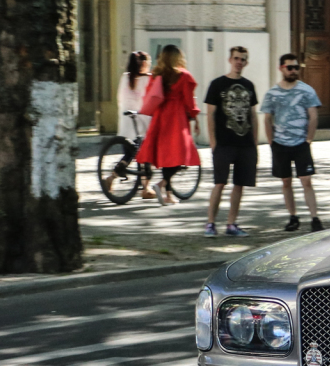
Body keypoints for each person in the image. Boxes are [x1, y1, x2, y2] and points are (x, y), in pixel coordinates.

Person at [261, 53, 323, 232]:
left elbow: (313, 116)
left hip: (301, 144)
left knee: (306, 180)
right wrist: (271, 142)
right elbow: (267, 118)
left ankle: (315, 218)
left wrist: (308, 140)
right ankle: (293, 217)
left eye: (296, 67)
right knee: (286, 181)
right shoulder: (272, 93)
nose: (294, 71)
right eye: (290, 67)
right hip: (280, 144)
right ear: (281, 68)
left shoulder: (307, 91)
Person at [134, 45, 201, 205]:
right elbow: (189, 101)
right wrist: (194, 116)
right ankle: (161, 184)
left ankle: (168, 196)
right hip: (177, 118)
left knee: (167, 156)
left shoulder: (157, 75)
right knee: (181, 155)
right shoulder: (184, 76)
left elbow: (149, 96)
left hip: (161, 117)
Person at [203, 46, 259, 236]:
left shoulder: (249, 85)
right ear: (230, 60)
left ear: (246, 62)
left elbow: (253, 115)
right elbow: (210, 114)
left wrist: (255, 142)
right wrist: (213, 142)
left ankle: (231, 224)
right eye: (236, 58)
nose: (239, 62)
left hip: (245, 144)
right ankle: (210, 223)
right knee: (219, 183)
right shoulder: (217, 84)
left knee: (239, 184)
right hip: (224, 143)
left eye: (243, 59)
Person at [104, 50, 155, 199]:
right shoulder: (148, 79)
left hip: (125, 123)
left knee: (129, 154)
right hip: (141, 121)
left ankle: (112, 178)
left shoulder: (125, 77)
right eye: (148, 63)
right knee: (145, 153)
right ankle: (145, 188)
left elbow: (120, 99)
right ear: (144, 64)